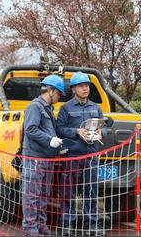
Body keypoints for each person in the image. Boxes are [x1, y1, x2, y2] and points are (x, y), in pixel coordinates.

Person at [57, 72, 106, 236]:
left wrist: (101, 132)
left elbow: (104, 127)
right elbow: (59, 129)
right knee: (68, 192)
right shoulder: (66, 108)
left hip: (91, 156)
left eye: (87, 85)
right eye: (81, 86)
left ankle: (92, 225)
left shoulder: (96, 107)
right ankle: (67, 226)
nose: (85, 88)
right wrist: (76, 131)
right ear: (73, 89)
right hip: (72, 156)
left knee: (91, 191)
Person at [22, 74, 67, 236]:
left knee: (43, 195)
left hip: (46, 158)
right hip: (34, 158)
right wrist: (50, 141)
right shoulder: (35, 107)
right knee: (32, 195)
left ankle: (41, 227)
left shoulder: (48, 109)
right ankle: (30, 229)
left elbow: (48, 131)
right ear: (50, 90)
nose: (59, 97)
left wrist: (58, 147)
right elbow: (30, 129)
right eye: (58, 93)